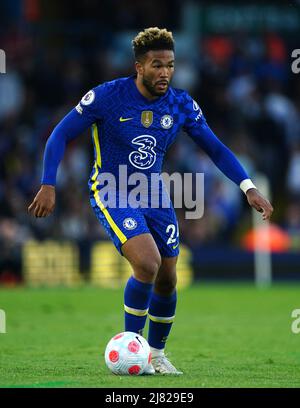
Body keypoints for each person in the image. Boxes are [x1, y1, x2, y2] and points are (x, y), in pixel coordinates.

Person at [28, 27, 273, 375]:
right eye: (157, 65)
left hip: (154, 191)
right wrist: (48, 183)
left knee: (168, 278)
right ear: (139, 67)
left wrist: (248, 187)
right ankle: (133, 348)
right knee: (147, 263)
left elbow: (215, 148)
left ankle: (156, 354)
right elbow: (59, 134)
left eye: (170, 65)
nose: (165, 73)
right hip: (112, 187)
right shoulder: (107, 97)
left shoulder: (181, 103)